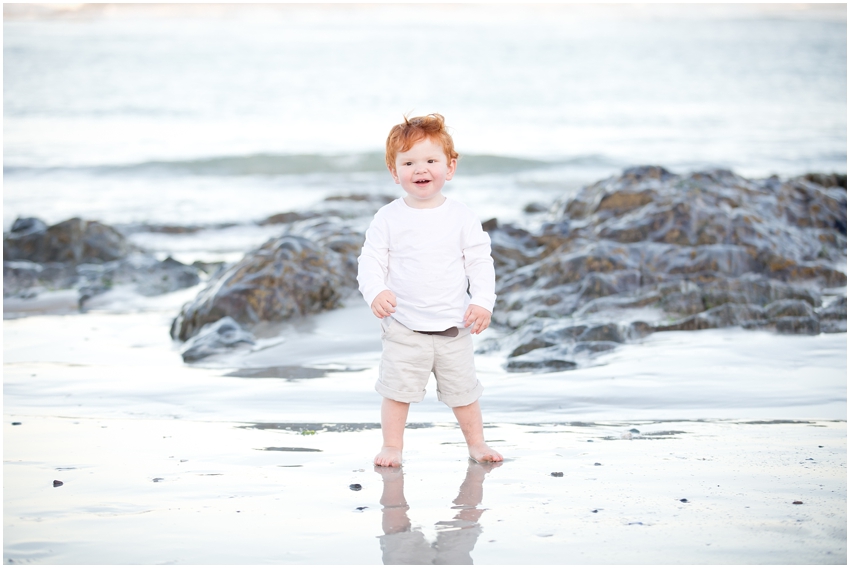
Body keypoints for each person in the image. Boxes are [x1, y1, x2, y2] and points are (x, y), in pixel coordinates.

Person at [357, 113, 504, 467]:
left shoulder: (462, 216)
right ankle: (392, 446)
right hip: (404, 327)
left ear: (449, 167)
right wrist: (375, 291)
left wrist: (483, 301)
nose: (420, 169)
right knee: (396, 392)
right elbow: (370, 260)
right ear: (395, 172)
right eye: (408, 163)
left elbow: (480, 262)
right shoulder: (388, 217)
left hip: (454, 327)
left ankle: (477, 444)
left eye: (431, 161)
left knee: (464, 393)